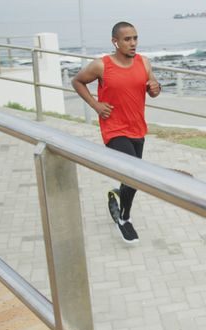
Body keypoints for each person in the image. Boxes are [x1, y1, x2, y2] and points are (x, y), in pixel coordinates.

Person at [72, 21, 161, 243]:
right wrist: (95, 104)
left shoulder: (144, 63)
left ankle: (119, 193)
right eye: (127, 39)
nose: (133, 43)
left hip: (137, 128)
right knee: (133, 173)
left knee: (132, 179)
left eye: (135, 38)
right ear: (115, 42)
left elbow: (153, 90)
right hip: (114, 129)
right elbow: (77, 81)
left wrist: (155, 88)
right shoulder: (101, 65)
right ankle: (124, 218)